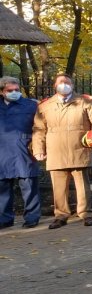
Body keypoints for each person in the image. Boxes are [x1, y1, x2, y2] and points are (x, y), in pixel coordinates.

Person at [32, 74, 92, 230]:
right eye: (60, 82)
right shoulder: (45, 105)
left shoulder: (85, 101)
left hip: (78, 148)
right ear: (54, 86)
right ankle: (61, 215)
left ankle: (86, 213)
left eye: (67, 82)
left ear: (72, 85)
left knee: (82, 186)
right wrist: (38, 149)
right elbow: (39, 129)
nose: (64, 85)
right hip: (56, 150)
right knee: (58, 187)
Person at [0, 77, 40, 229]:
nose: (14, 93)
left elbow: (42, 126)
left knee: (28, 185)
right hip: (2, 152)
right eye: (10, 91)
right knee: (3, 188)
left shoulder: (30, 105)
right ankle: (4, 219)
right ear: (2, 92)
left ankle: (32, 217)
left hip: (24, 150)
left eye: (17, 90)